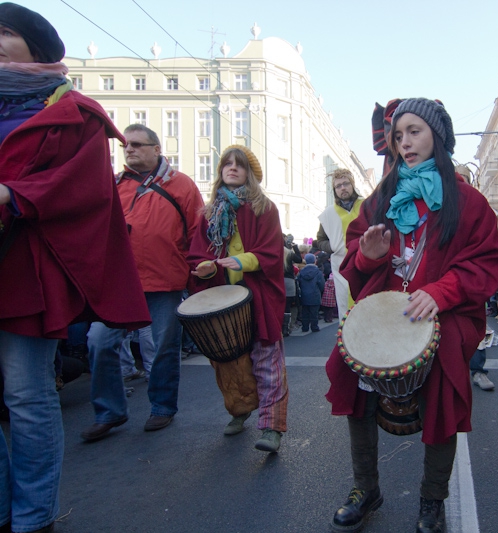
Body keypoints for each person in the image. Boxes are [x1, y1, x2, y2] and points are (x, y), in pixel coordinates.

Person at [0, 4, 150, 531]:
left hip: (26, 272)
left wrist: (13, 194)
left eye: (5, 34)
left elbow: (83, 187)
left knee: (25, 394)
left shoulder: (74, 112)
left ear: (35, 48)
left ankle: (32, 517)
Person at [325, 97, 498, 533]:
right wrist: (367, 258)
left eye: (415, 132)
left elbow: (486, 261)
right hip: (386, 314)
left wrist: (443, 291)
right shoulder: (378, 199)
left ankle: (432, 498)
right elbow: (353, 256)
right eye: (398, 135)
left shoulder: (468, 200)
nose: (405, 142)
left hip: (445, 316)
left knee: (442, 402)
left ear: (437, 136)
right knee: (354, 384)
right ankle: (365, 487)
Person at [81, 124, 204, 442]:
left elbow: (197, 235)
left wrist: (197, 281)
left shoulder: (182, 185)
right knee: (99, 342)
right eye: (125, 145)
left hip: (165, 280)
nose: (129, 149)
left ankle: (162, 407)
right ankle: (109, 412)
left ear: (156, 149)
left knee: (164, 347)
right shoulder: (115, 185)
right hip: (121, 283)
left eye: (136, 144)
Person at [189, 145, 287, 452]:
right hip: (222, 299)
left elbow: (272, 251)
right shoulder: (207, 214)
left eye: (239, 165)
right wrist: (203, 269)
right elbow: (197, 254)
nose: (232, 168)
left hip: (257, 297)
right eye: (226, 164)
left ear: (250, 173)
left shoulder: (264, 208)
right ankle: (240, 409)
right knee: (229, 364)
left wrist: (244, 260)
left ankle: (272, 426)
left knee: (267, 360)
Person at [316, 169, 365, 321]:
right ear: (334, 190)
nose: (342, 188)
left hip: (366, 262)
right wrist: (332, 247)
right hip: (341, 266)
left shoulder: (366, 205)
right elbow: (320, 239)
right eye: (338, 186)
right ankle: (348, 342)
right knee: (346, 306)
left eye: (345, 184)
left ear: (352, 185)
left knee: (368, 304)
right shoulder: (328, 213)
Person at [297, 253, 325, 332]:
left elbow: (299, 282)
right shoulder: (318, 272)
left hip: (304, 294)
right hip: (315, 294)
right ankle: (314, 327)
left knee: (305, 312)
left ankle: (305, 327)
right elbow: (321, 284)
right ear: (314, 261)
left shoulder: (301, 272)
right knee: (314, 312)